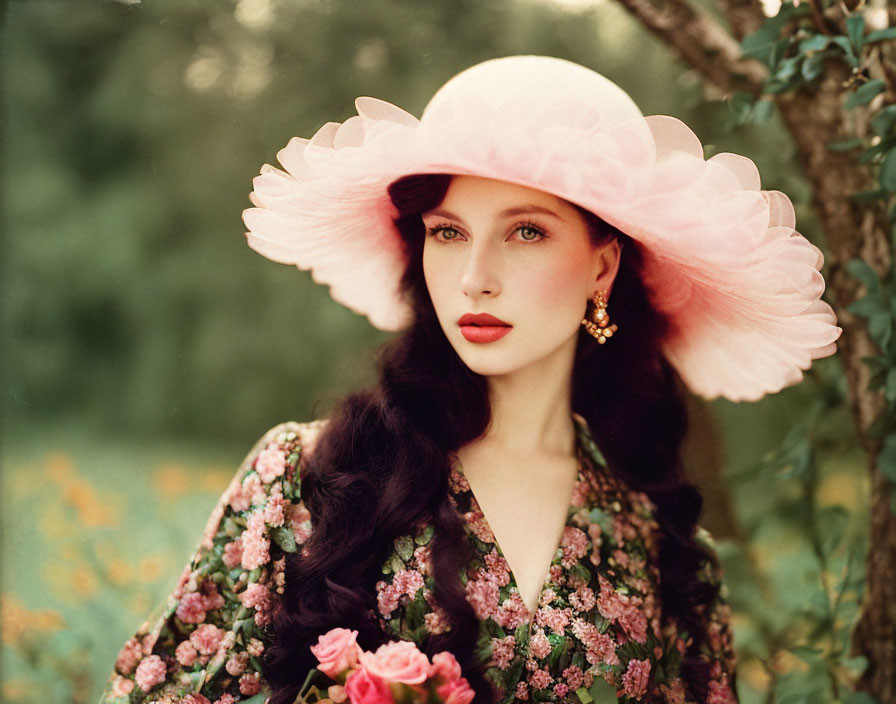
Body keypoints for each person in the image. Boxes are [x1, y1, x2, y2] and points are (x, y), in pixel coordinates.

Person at [97, 56, 841, 704]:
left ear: (602, 268)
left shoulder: (659, 546)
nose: (475, 279)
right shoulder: (310, 475)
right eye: (448, 232)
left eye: (526, 232)